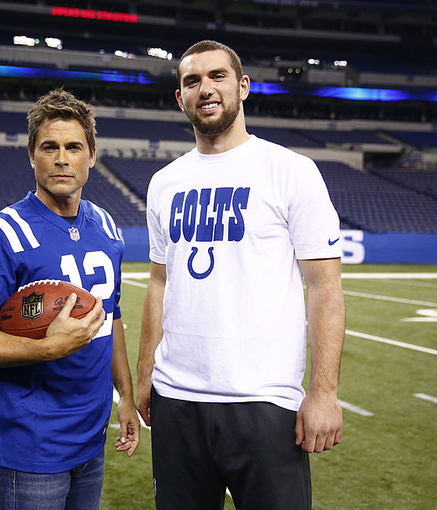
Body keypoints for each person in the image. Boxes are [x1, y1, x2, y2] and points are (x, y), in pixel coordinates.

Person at [135, 40, 346, 510]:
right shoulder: (164, 182)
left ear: (243, 87)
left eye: (217, 76)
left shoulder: (291, 171)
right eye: (192, 81)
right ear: (180, 98)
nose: (205, 89)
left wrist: (324, 392)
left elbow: (324, 287)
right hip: (177, 398)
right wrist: (146, 369)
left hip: (264, 400)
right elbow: (159, 281)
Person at [0, 87, 139, 509]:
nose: (61, 158)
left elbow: (111, 318)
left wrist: (125, 397)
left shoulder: (107, 226)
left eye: (73, 147)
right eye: (49, 146)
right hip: (30, 443)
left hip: (90, 437)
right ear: (31, 156)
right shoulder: (1, 234)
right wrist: (48, 346)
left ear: (91, 156)